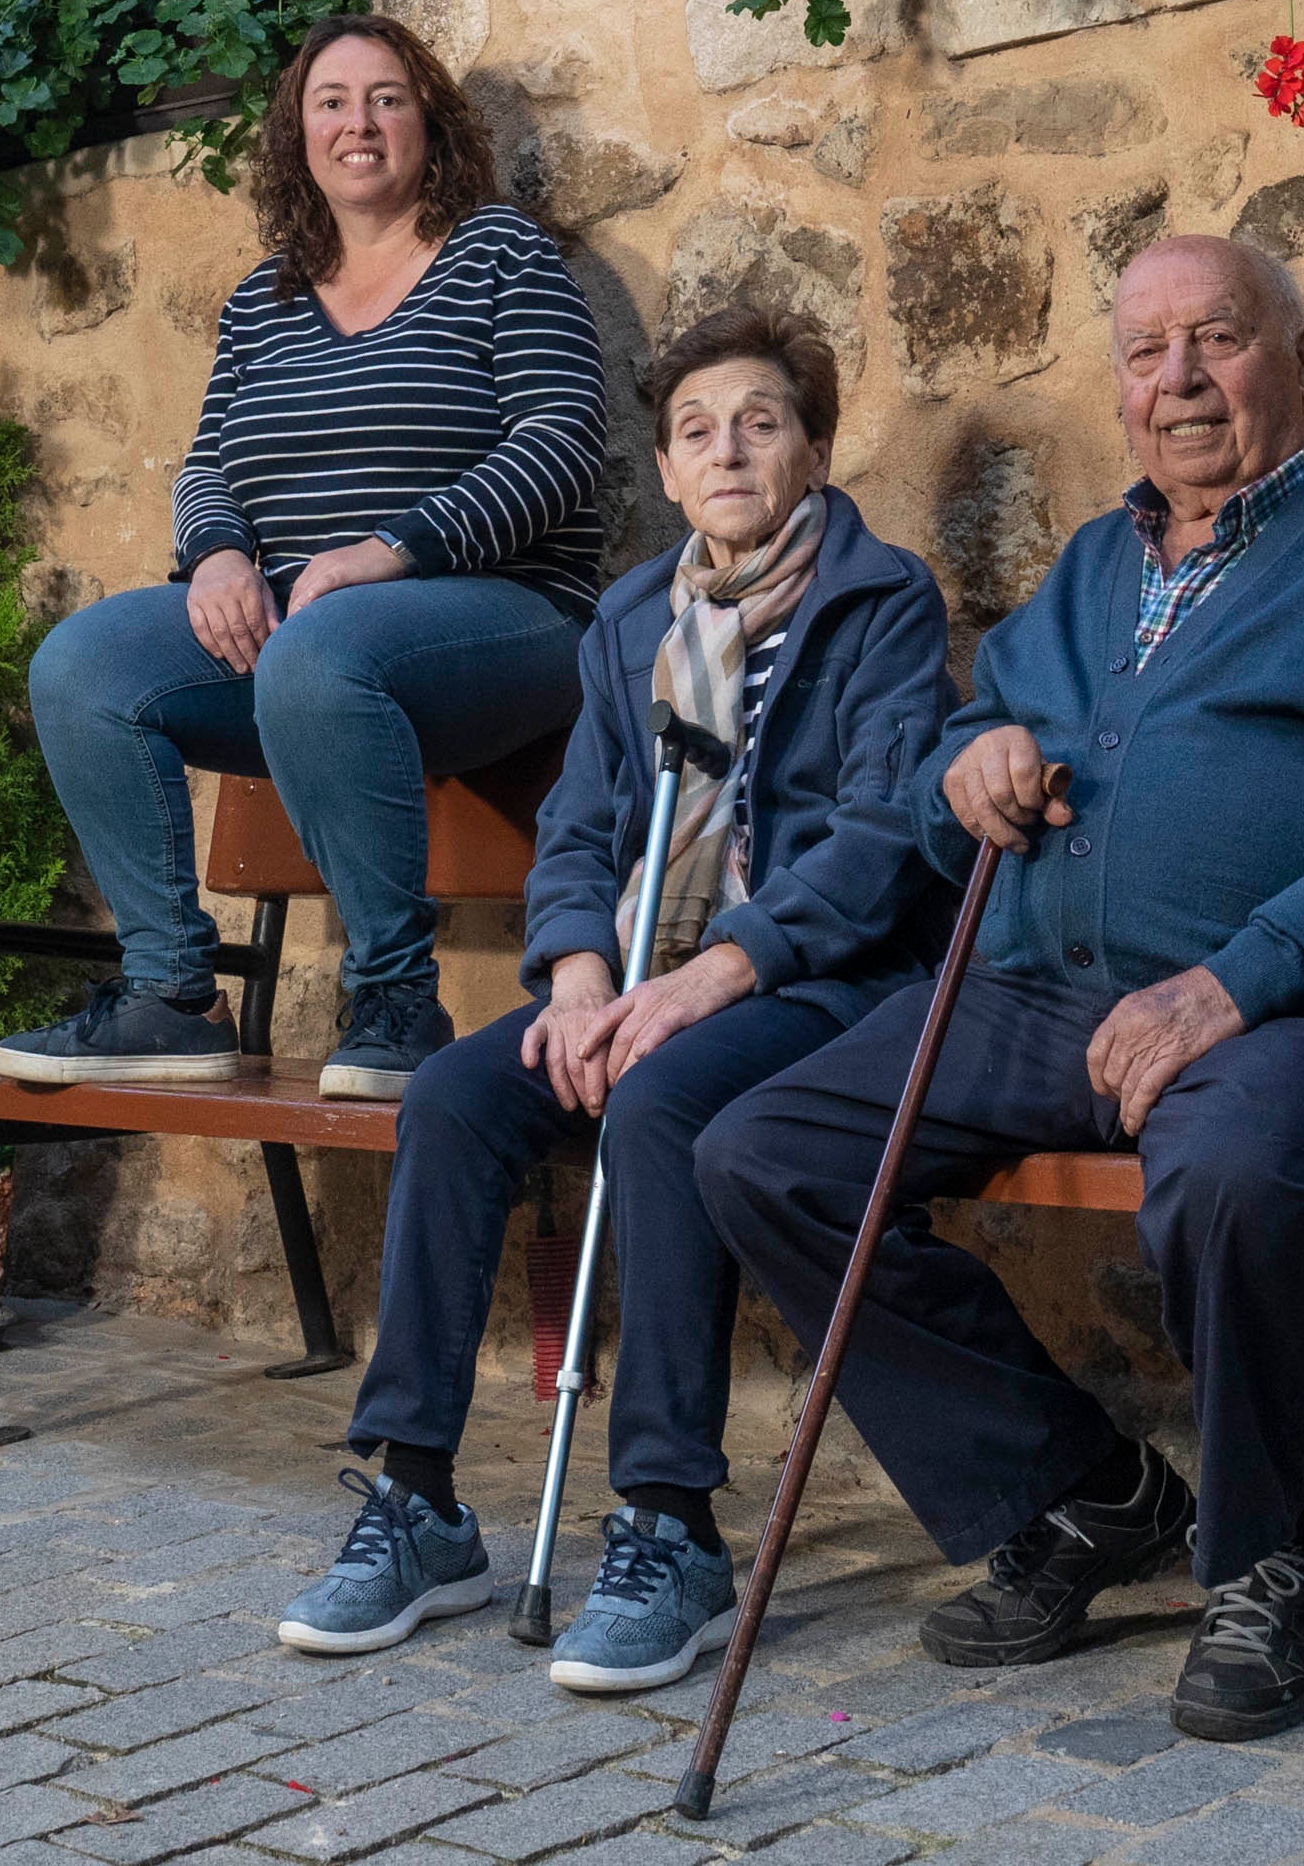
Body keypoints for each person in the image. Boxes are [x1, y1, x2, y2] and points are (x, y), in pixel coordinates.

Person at [696, 234, 1304, 1743]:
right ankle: (1083, 1495)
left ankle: (1264, 1561)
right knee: (766, 1155)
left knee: (1226, 1171)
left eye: (1216, 339)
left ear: (1302, 355)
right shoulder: (1092, 564)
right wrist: (976, 757)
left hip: (1285, 1015)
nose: (1181, 381)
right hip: (1038, 997)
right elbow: (996, 714)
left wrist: (1236, 983)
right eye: (1147, 353)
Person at [275, 310, 956, 1695]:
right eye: (699, 429)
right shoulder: (635, 620)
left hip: (808, 983)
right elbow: (581, 822)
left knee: (658, 1101)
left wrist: (712, 975)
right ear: (664, 465)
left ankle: (671, 1522)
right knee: (460, 1094)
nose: (731, 450)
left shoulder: (884, 603)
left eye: (763, 422)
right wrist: (580, 972)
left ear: (815, 448)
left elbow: (886, 839)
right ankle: (417, 1499)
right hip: (639, 975)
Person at [0, 15, 610, 1099]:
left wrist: (397, 549)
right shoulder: (264, 297)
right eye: (331, 101)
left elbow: (561, 441)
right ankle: (175, 995)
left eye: (386, 98)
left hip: (509, 623)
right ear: (297, 132)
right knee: (82, 666)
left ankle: (398, 1003)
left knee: (319, 652)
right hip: (301, 648)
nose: (357, 123)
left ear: (430, 124)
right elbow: (208, 463)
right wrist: (219, 556)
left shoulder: (499, 251)